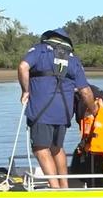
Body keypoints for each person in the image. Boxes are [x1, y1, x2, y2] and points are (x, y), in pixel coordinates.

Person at [18, 28, 95, 189]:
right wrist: (94, 110)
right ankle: (64, 186)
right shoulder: (74, 60)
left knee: (40, 148)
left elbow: (23, 67)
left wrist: (25, 91)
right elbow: (85, 91)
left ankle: (55, 188)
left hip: (41, 110)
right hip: (64, 112)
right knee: (56, 148)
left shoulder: (40, 51)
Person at [69, 84, 103, 187]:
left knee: (91, 168)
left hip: (97, 141)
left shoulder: (84, 94)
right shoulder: (90, 90)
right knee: (82, 166)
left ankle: (97, 189)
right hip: (96, 140)